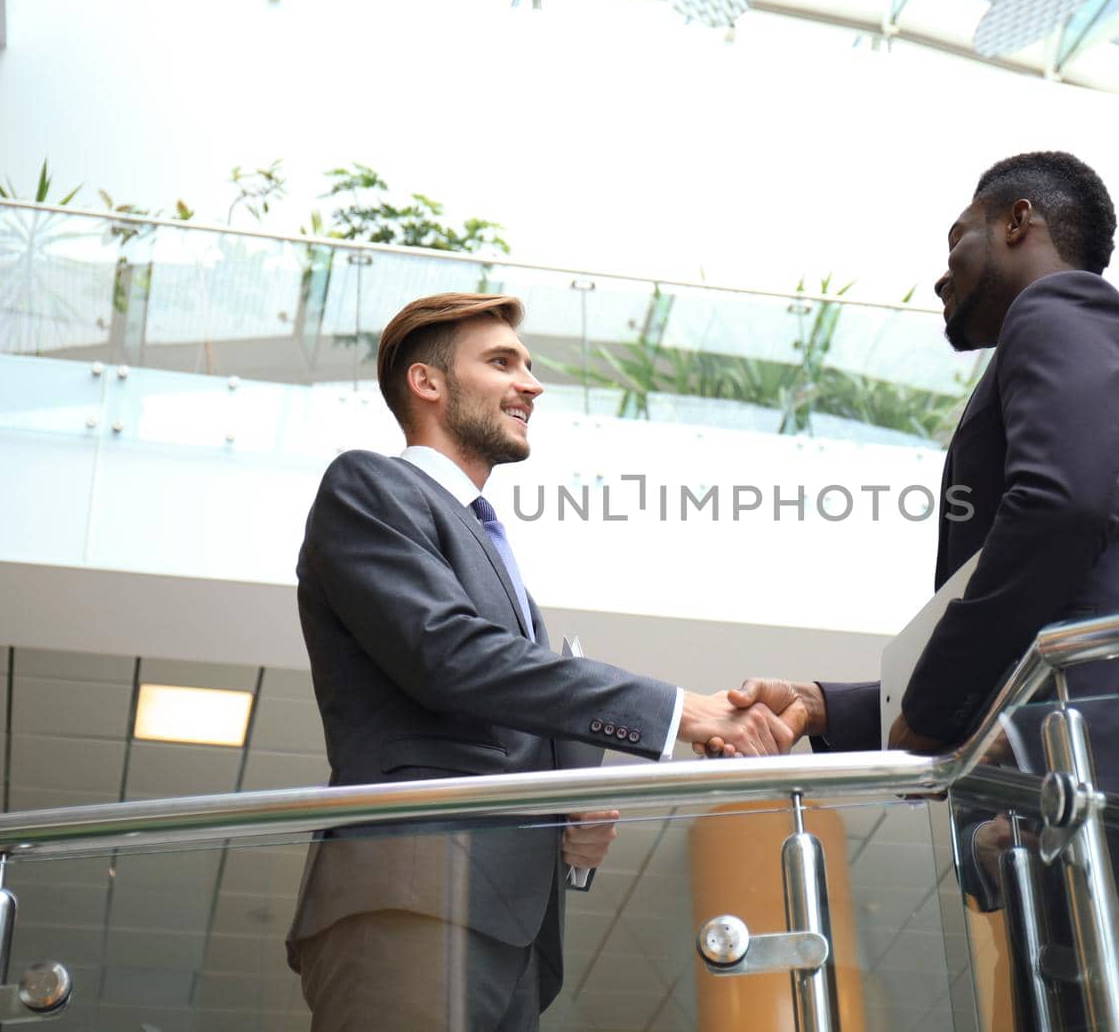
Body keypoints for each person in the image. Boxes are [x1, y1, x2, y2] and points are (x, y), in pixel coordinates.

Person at [708, 153, 1119, 1029]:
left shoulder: (1062, 309)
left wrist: (932, 707)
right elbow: (1033, 607)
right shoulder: (1054, 335)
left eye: (957, 238)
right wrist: (830, 707)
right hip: (1070, 767)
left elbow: (1059, 508)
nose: (943, 272)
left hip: (1106, 756)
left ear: (1019, 221)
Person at [285, 292, 790, 1032]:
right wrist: (686, 711)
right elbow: (452, 656)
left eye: (529, 365)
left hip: (510, 931)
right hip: (411, 896)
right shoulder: (370, 487)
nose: (532, 383)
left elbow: (497, 710)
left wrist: (572, 833)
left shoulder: (491, 547)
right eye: (502, 362)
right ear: (427, 383)